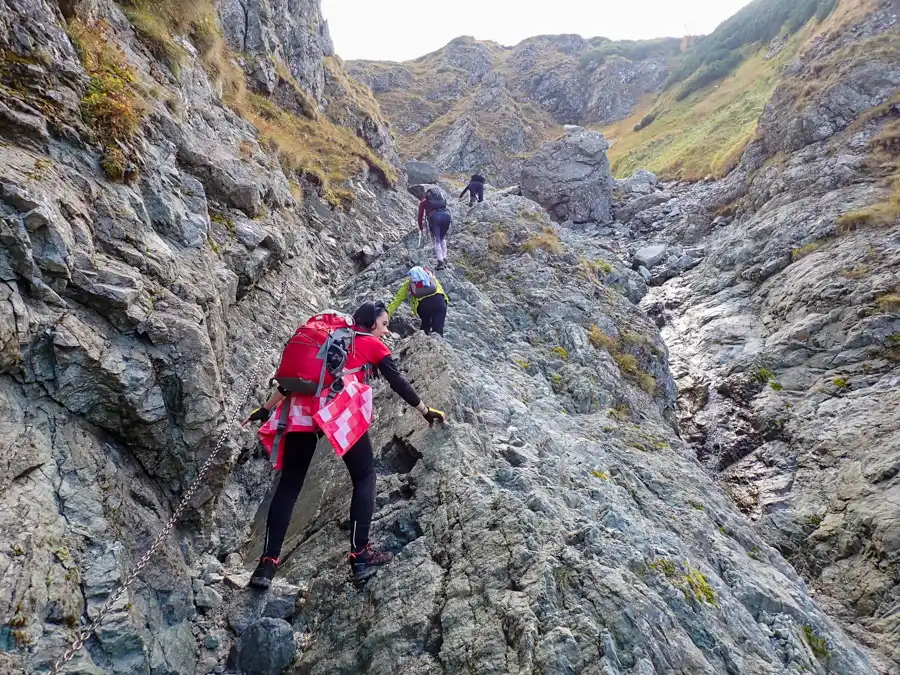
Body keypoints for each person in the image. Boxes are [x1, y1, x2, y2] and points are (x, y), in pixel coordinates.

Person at [244, 301, 446, 588]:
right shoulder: (369, 345)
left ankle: (266, 567)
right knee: (365, 475)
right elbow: (397, 381)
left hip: (302, 405)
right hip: (337, 407)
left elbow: (291, 383)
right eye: (384, 324)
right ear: (370, 323)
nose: (386, 331)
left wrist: (265, 409)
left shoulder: (332, 339)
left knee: (289, 484)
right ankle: (360, 556)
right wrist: (426, 411)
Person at [387, 266, 449, 336]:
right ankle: (437, 341)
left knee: (425, 324)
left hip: (423, 307)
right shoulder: (431, 279)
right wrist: (445, 303)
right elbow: (442, 293)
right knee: (438, 329)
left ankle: (422, 336)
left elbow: (398, 298)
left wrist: (387, 313)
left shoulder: (410, 281)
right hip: (439, 302)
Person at [417, 186, 452, 269]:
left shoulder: (424, 202)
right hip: (446, 216)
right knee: (442, 238)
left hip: (435, 218)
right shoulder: (441, 201)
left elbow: (420, 216)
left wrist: (421, 227)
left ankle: (440, 262)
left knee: (436, 240)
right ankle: (445, 258)